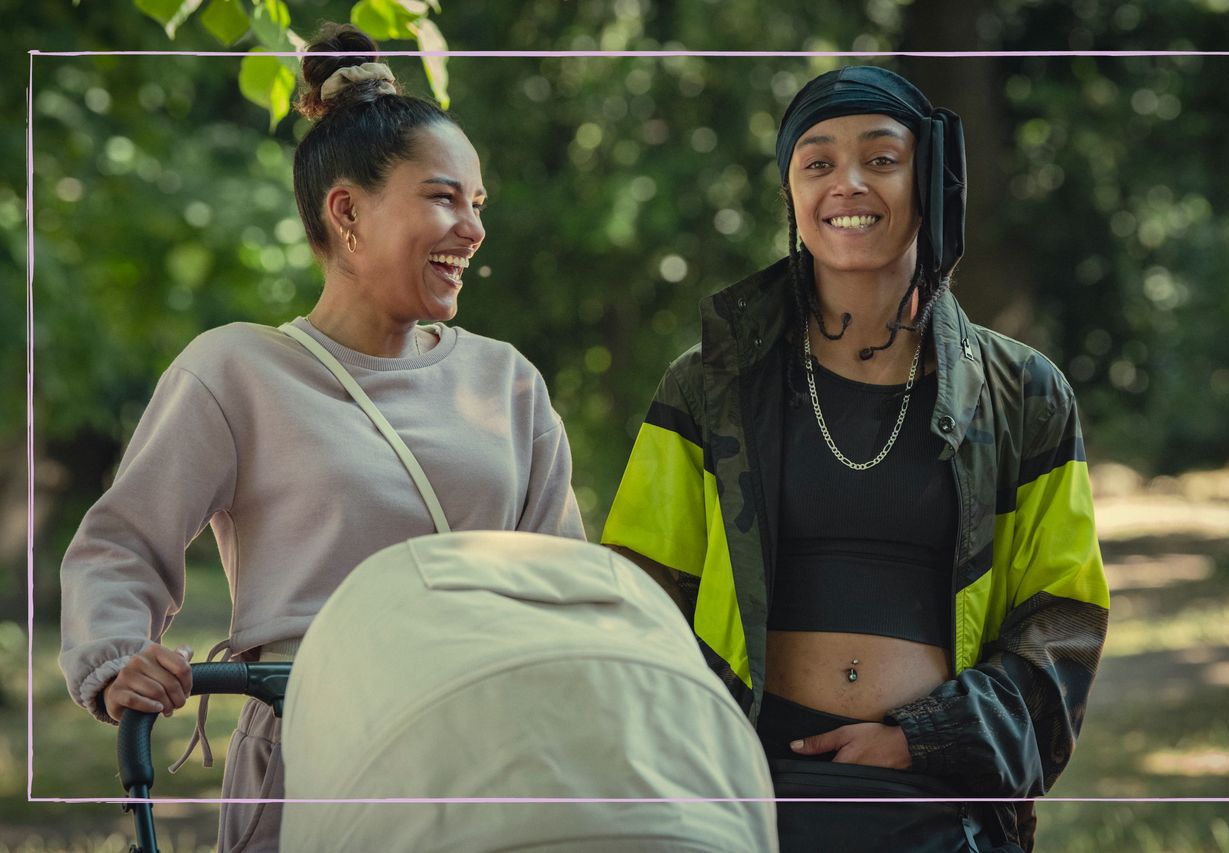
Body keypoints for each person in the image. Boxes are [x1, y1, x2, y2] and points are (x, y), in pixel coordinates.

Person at [59, 23, 584, 852]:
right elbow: (118, 546)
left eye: (477, 205)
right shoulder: (236, 370)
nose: (474, 228)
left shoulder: (507, 382)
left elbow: (565, 584)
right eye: (445, 197)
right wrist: (119, 658)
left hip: (484, 762)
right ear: (347, 211)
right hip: (311, 758)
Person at [602, 65, 1108, 851]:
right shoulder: (709, 384)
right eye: (817, 162)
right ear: (791, 197)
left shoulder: (1023, 394)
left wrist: (930, 737)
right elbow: (639, 595)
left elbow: (1063, 618)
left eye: (881, 158)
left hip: (939, 795)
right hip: (744, 787)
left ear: (928, 179)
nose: (848, 183)